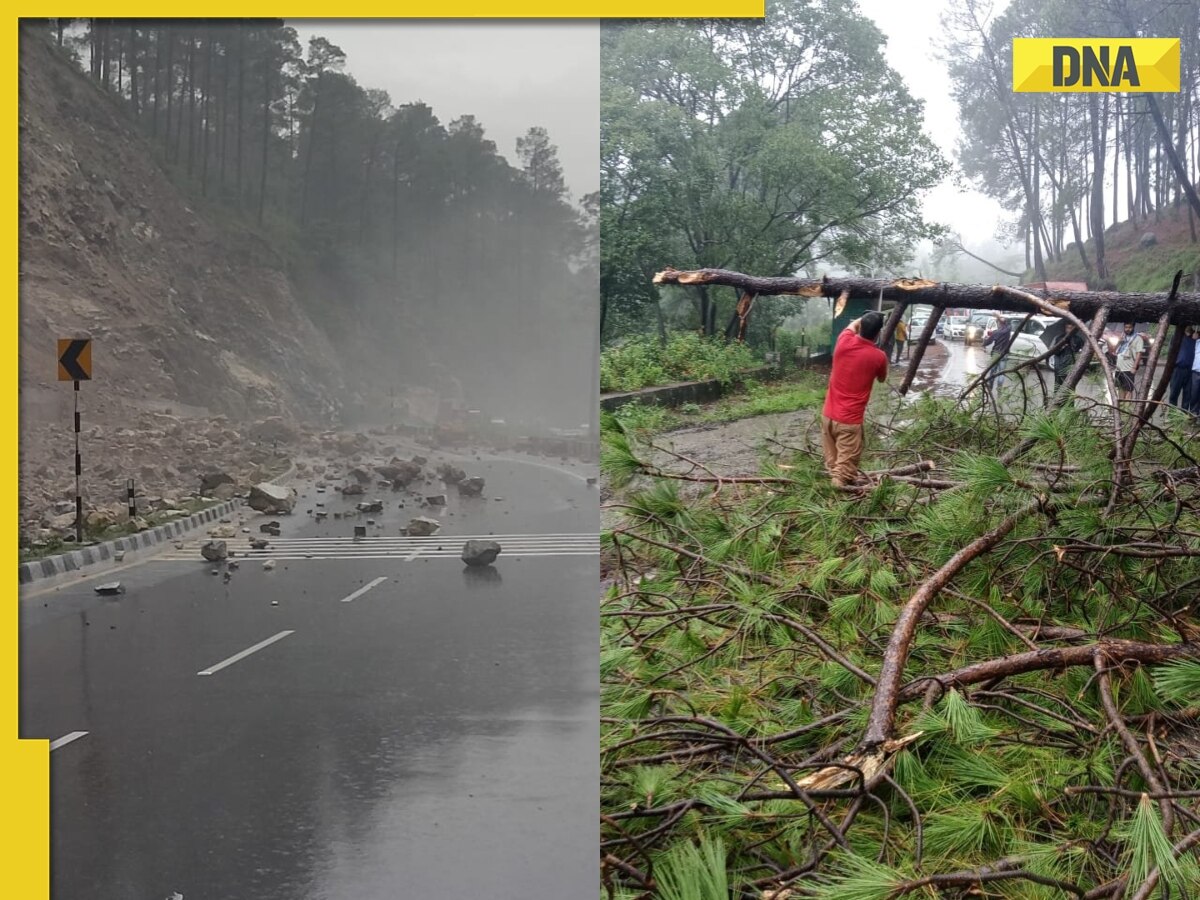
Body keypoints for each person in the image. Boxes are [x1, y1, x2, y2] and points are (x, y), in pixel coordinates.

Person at [821, 308, 889, 488]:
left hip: (828, 416)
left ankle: (831, 497)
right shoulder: (879, 357)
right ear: (878, 333)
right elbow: (882, 378)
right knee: (843, 472)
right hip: (848, 423)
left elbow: (852, 326)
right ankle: (836, 509)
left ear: (861, 326)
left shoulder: (843, 341)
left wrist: (866, 316)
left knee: (834, 465)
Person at [1114, 323, 1146, 402]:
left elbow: (1139, 353)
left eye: (1130, 327)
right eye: (1126, 327)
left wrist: (1134, 367)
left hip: (1129, 368)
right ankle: (1120, 408)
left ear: (1133, 327)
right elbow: (1114, 351)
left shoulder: (1138, 338)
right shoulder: (1122, 337)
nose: (1128, 329)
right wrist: (1119, 341)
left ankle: (1127, 410)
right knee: (1120, 389)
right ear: (1124, 327)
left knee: (1129, 390)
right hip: (1118, 368)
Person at [981, 317, 1014, 393]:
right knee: (1001, 372)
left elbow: (989, 341)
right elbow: (1009, 324)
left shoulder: (996, 332)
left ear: (999, 323)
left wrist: (983, 343)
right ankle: (999, 389)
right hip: (1004, 354)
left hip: (996, 353)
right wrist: (1000, 317)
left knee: (992, 372)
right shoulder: (1008, 330)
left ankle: (990, 387)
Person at [1052, 321, 1085, 393]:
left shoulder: (1078, 339)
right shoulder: (1060, 338)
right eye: (1067, 328)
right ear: (1065, 328)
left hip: (1072, 368)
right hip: (1060, 367)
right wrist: (1063, 346)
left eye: (1071, 328)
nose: (1069, 330)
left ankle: (1069, 404)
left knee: (1070, 389)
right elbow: (1055, 352)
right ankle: (1056, 403)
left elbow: (1081, 353)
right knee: (1058, 389)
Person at [1168, 326, 1195, 411]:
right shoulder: (1177, 337)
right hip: (1177, 369)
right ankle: (1172, 414)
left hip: (1190, 370)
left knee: (1187, 394)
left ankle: (1184, 415)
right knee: (1174, 393)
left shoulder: (1195, 339)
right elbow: (1171, 351)